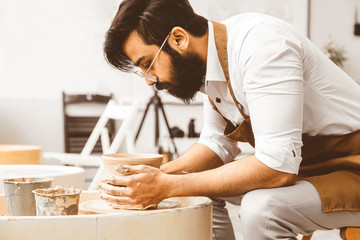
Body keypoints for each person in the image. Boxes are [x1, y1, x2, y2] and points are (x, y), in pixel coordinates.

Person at [99, 0, 360, 239]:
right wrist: (159, 175)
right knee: (197, 185)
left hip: (352, 168)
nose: (148, 79)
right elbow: (217, 145)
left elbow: (278, 166)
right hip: (311, 168)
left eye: (148, 64)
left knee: (262, 211)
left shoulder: (262, 46)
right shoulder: (211, 59)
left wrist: (168, 185)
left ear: (179, 38)